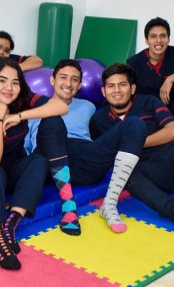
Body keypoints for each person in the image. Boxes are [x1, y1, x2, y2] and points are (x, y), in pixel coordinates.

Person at [91, 63, 174, 234]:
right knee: (125, 171)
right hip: (151, 175)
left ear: (132, 89)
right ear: (104, 91)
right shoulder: (98, 120)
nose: (116, 90)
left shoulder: (148, 102)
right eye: (111, 86)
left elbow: (173, 131)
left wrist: (135, 142)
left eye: (122, 84)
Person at [0, 58, 67, 269]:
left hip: (12, 169)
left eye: (15, 82)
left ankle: (12, 222)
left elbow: (61, 106)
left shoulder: (21, 99)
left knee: (38, 161)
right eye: (2, 80)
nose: (9, 88)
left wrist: (19, 116)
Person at [25, 59, 146, 234]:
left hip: (84, 159)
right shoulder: (33, 111)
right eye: (63, 77)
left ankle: (110, 204)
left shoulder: (88, 106)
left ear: (80, 85)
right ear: (52, 80)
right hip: (49, 158)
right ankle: (68, 206)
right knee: (52, 118)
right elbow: (26, 150)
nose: (68, 83)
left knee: (135, 123)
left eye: (74, 79)